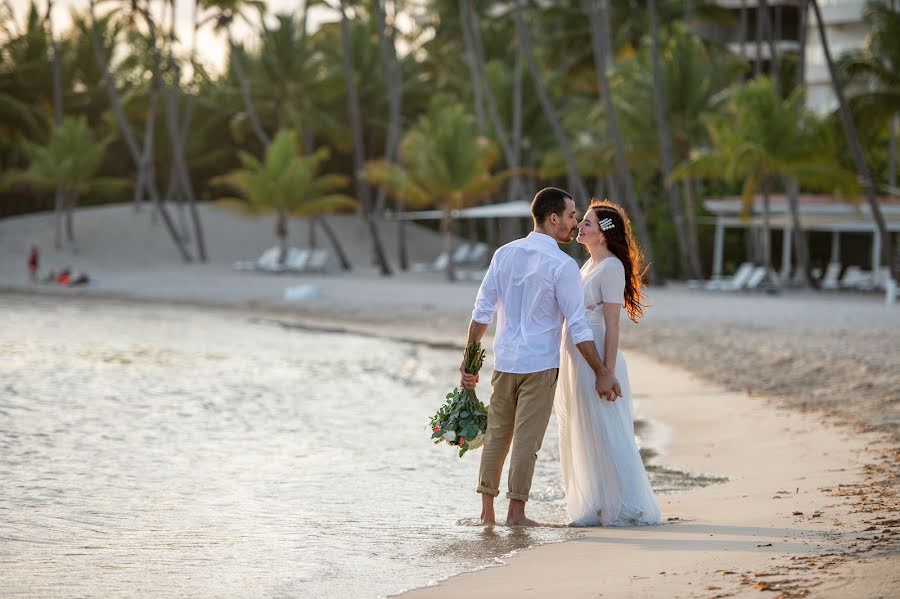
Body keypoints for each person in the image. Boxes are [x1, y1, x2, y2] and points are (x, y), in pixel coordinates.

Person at [460, 187, 618, 527]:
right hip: (539, 366)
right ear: (553, 218)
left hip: (504, 363)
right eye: (572, 216)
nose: (575, 224)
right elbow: (578, 326)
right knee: (527, 440)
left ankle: (486, 514)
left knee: (498, 435)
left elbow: (482, 311)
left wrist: (469, 362)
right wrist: (602, 370)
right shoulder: (562, 265)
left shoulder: (504, 254)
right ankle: (516, 514)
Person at [555, 199, 661, 526]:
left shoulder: (612, 267)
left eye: (587, 223)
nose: (580, 227)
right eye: (581, 221)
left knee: (605, 429)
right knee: (584, 428)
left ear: (602, 234)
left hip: (598, 352)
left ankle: (626, 505)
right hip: (577, 356)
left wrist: (607, 372)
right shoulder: (587, 265)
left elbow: (613, 322)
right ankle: (595, 503)